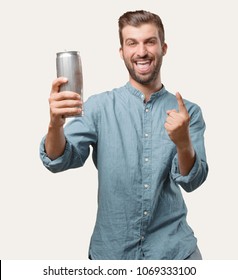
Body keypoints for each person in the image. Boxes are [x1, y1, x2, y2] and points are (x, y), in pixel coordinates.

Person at [40, 10, 208, 260]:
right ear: (122, 52)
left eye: (150, 42)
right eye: (132, 43)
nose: (141, 52)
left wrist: (183, 143)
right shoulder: (98, 107)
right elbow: (59, 160)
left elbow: (192, 181)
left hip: (174, 254)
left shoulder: (188, 112)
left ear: (163, 48)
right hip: (112, 254)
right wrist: (55, 124)